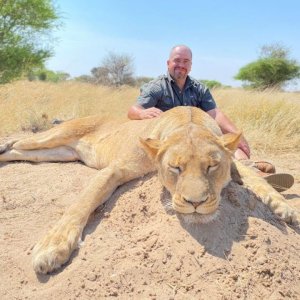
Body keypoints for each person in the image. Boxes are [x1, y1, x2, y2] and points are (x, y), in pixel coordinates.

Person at [127, 45, 294, 192]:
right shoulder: (157, 87)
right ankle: (253, 174)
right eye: (177, 60)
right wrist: (142, 114)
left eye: (186, 61)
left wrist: (236, 134)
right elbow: (133, 110)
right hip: (172, 147)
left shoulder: (199, 88)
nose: (181, 65)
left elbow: (215, 113)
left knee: (228, 146)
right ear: (168, 63)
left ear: (191, 65)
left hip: (197, 142)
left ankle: (251, 169)